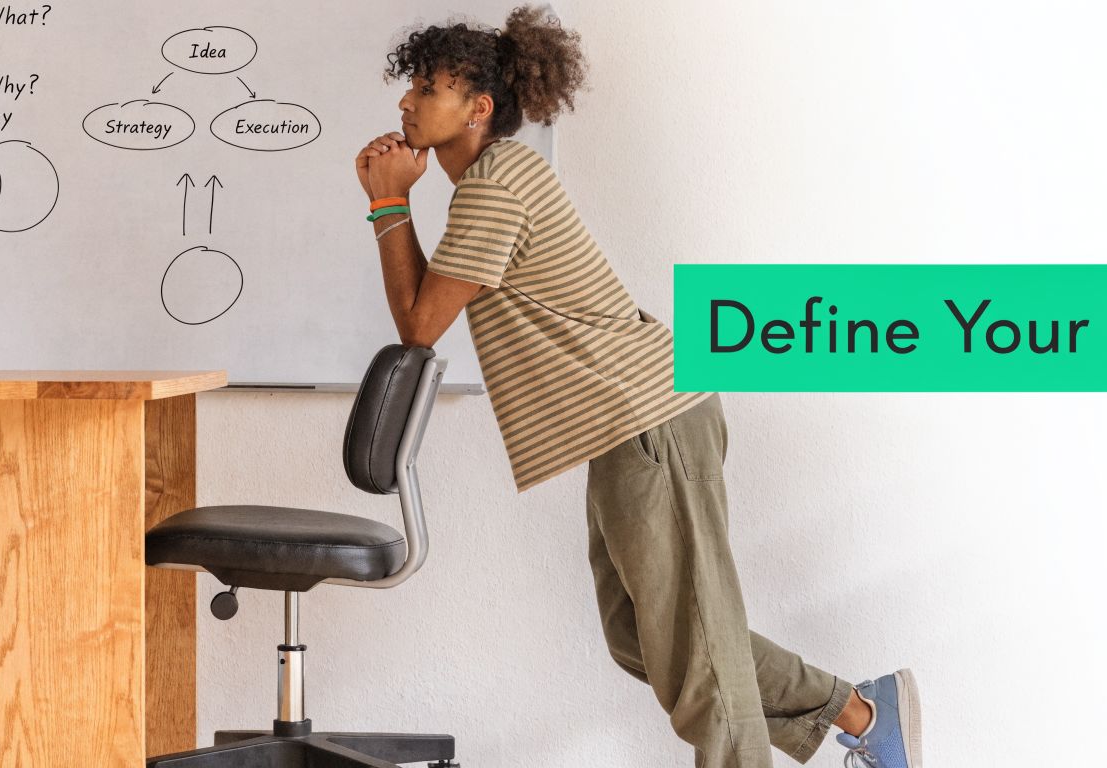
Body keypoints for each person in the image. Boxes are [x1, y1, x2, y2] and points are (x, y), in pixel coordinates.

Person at [354, 5, 922, 767]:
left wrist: (390, 203)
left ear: (478, 108)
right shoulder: (491, 184)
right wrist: (393, 204)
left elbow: (419, 326)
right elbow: (425, 314)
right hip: (629, 425)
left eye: (428, 86)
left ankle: (856, 717)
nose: (407, 101)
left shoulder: (496, 184)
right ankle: (860, 712)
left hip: (647, 420)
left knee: (698, 662)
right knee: (644, 638)